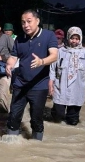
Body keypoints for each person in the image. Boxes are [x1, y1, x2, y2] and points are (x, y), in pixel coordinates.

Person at [4, 9, 58, 141]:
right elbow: (13, 56)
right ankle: (10, 144)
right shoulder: (20, 39)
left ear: (37, 21)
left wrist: (42, 61)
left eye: (29, 21)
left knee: (36, 118)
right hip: (20, 84)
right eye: (23, 22)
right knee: (14, 115)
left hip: (39, 85)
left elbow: (55, 56)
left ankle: (36, 146)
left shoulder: (48, 35)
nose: (26, 25)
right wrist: (9, 65)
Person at [49, 27, 85, 126]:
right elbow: (53, 68)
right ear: (68, 38)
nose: (74, 41)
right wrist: (51, 84)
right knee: (57, 117)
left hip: (77, 88)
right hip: (60, 86)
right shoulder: (60, 51)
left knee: (73, 121)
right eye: (72, 38)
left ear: (80, 39)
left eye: (77, 38)